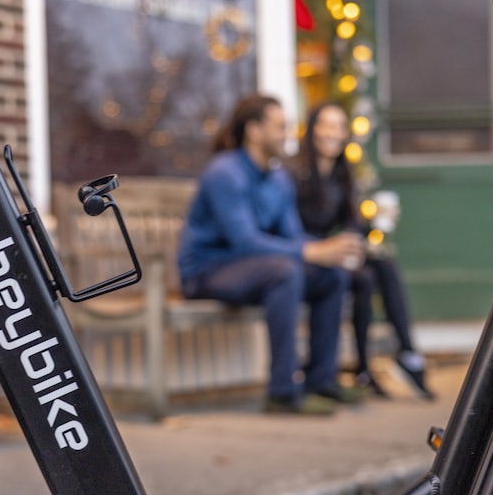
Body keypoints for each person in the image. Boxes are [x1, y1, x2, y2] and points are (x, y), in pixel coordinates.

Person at [177, 94, 365, 415]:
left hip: (252, 270)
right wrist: (311, 250)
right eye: (279, 127)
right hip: (207, 271)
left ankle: (320, 380)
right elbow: (245, 242)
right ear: (254, 130)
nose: (287, 135)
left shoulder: (278, 179)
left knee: (331, 275)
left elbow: (292, 236)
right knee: (285, 271)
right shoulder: (225, 173)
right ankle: (282, 392)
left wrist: (330, 251)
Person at [291, 101, 433, 400]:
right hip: (307, 257)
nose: (333, 133)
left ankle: (406, 352)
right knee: (365, 277)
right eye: (325, 125)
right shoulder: (296, 173)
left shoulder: (342, 175)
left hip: (333, 255)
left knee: (383, 264)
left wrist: (372, 225)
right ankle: (366, 368)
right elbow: (288, 227)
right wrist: (332, 247)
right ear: (312, 130)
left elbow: (351, 224)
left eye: (339, 126)